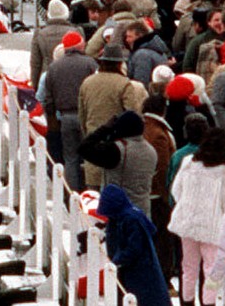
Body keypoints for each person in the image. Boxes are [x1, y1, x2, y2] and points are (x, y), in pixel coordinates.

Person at [168, 128, 225, 306]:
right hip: (212, 224)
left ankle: (187, 301)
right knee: (210, 268)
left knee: (188, 267)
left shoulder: (188, 162)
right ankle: (209, 302)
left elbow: (176, 190)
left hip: (187, 221)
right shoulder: (222, 170)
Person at [81, 43, 149, 190]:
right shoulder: (124, 84)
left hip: (93, 142)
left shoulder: (87, 83)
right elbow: (133, 116)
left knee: (93, 194)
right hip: (116, 150)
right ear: (119, 63)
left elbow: (82, 115)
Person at [98, 183, 171, 306]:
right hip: (134, 270)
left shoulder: (131, 220)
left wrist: (117, 260)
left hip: (141, 271)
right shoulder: (123, 217)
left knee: (146, 299)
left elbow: (134, 248)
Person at [42, 30, 98, 190]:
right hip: (86, 117)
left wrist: (53, 119)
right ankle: (90, 192)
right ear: (79, 45)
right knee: (89, 156)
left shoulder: (53, 68)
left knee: (70, 158)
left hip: (65, 118)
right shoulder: (90, 64)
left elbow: (48, 98)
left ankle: (71, 194)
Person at [83, 110, 159, 217]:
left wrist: (105, 129)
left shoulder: (117, 150)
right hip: (143, 213)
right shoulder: (151, 151)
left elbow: (83, 149)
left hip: (119, 214)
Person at [143, 94, 179, 278]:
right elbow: (163, 167)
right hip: (157, 194)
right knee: (162, 239)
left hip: (144, 192)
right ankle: (163, 277)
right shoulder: (158, 133)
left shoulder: (143, 127)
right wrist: (167, 195)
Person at [33, 0, 78, 90]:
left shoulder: (40, 34)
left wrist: (35, 86)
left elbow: (35, 63)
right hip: (72, 77)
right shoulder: (76, 32)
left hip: (47, 77)